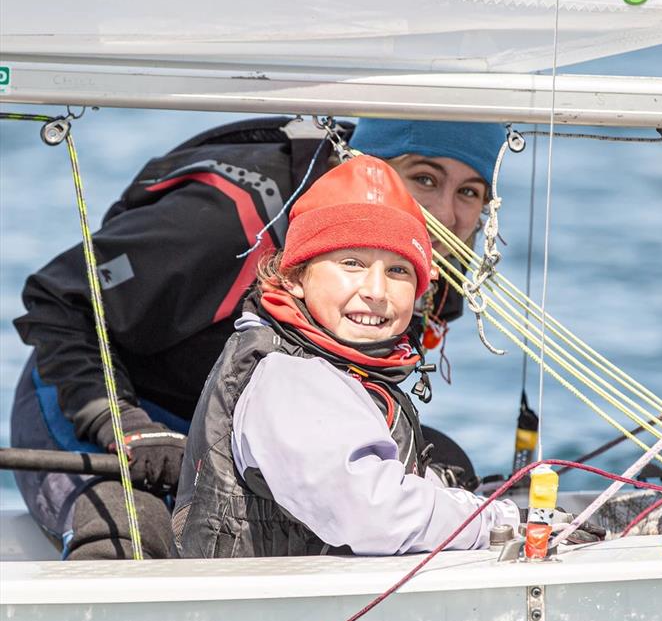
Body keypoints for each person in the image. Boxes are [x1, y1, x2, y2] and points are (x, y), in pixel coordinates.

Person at [10, 116, 507, 559]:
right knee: (130, 529)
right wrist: (125, 423)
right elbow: (60, 299)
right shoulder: (226, 221)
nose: (446, 215)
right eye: (424, 179)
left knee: (451, 468)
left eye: (470, 192)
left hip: (254, 430)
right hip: (97, 400)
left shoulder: (423, 265)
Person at [173, 155, 519, 557]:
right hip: (269, 614)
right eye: (351, 264)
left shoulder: (337, 370)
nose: (376, 290)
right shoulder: (289, 379)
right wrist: (498, 520)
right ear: (294, 277)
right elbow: (376, 515)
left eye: (398, 271)